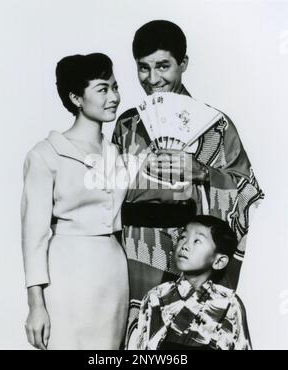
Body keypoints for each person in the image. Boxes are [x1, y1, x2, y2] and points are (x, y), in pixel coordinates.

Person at [112, 20, 263, 347]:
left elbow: (247, 191)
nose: (153, 79)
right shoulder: (127, 124)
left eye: (163, 66)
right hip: (135, 251)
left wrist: (202, 172)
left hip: (192, 251)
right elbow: (108, 195)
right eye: (143, 68)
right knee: (140, 340)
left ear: (183, 64)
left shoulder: (216, 127)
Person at [21, 53, 129, 350]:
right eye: (103, 89)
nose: (114, 97)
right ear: (76, 98)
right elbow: (34, 236)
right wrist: (36, 304)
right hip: (67, 273)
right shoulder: (45, 154)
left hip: (114, 272)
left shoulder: (118, 154)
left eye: (115, 87)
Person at [135, 215, 252, 350]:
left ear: (219, 262)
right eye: (183, 237)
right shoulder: (157, 296)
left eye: (197, 241)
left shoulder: (229, 302)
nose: (184, 246)